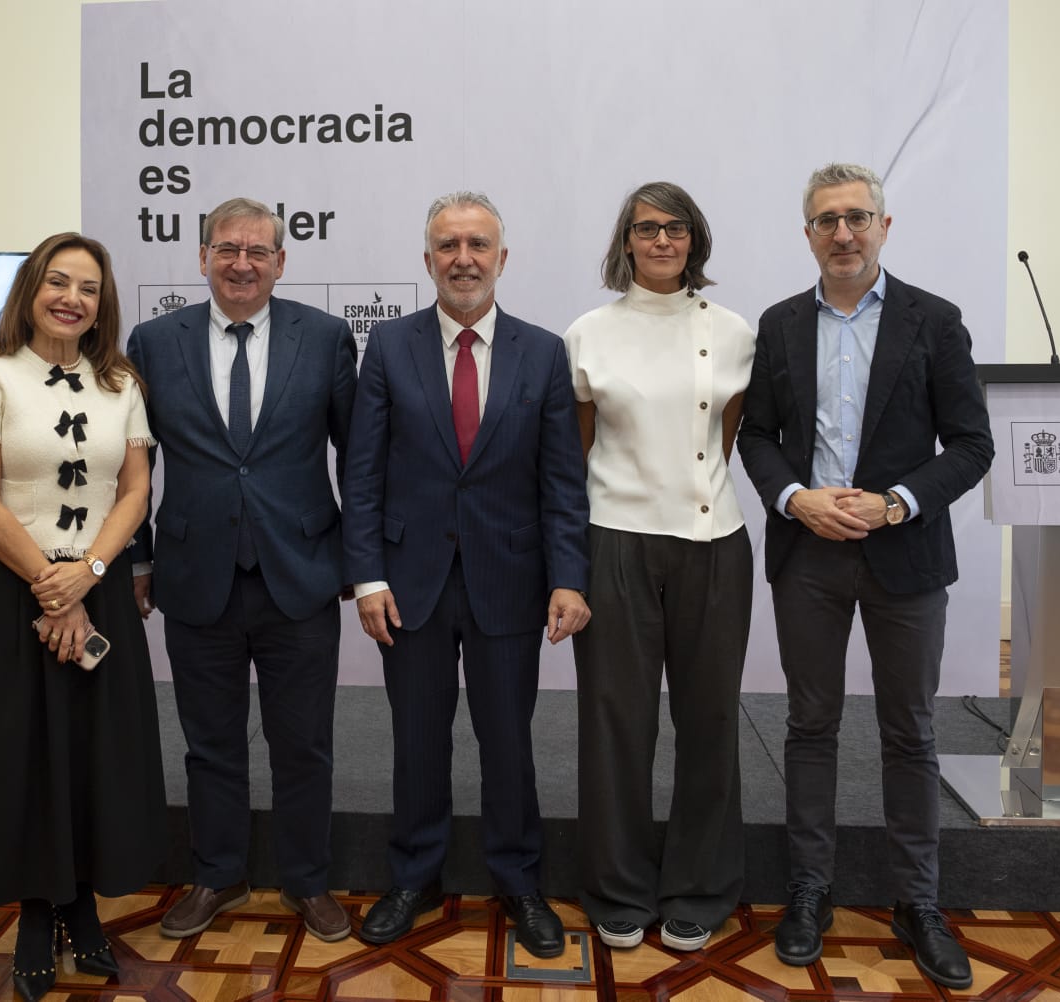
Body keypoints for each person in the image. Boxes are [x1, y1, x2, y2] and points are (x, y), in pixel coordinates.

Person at [737, 163, 994, 990]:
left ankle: (918, 901)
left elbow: (971, 444)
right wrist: (793, 497)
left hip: (905, 555)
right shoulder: (778, 326)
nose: (842, 233)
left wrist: (899, 502)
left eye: (857, 217)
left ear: (886, 225)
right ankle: (809, 890)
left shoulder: (935, 320)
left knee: (910, 732)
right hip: (809, 553)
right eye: (826, 221)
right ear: (806, 233)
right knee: (810, 727)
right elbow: (757, 438)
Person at [341, 191, 590, 959]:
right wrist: (368, 577)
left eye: (478, 244)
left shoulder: (544, 352)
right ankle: (415, 877)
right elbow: (363, 472)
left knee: (508, 741)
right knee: (417, 740)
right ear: (427, 261)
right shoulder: (387, 347)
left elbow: (562, 481)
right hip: (409, 584)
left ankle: (518, 881)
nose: (463, 258)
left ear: (502, 259)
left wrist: (570, 577)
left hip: (509, 580)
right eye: (447, 245)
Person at [0, 232, 166, 1002]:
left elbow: (133, 490)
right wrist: (50, 586)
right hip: (9, 595)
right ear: (30, 291)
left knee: (94, 753)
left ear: (102, 305)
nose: (71, 298)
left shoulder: (121, 381)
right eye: (57, 282)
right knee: (21, 755)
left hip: (97, 587)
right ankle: (35, 912)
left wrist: (87, 575)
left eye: (87, 288)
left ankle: (82, 906)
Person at [126, 197, 358, 944]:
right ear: (201, 258)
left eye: (259, 251)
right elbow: (133, 463)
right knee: (211, 743)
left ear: (281, 263)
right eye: (227, 249)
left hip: (301, 572)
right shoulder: (153, 342)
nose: (242, 263)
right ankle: (218, 875)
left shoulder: (323, 339)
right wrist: (139, 558)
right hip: (196, 576)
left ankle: (308, 882)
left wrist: (362, 561)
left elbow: (358, 457)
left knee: (304, 743)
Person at [562, 182, 755, 953]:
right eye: (647, 228)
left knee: (709, 721)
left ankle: (701, 889)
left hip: (714, 543)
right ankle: (616, 889)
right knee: (616, 724)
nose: (662, 240)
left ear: (694, 239)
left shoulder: (736, 331)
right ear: (626, 241)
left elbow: (729, 439)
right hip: (614, 540)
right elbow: (576, 453)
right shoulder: (587, 333)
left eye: (675, 227)